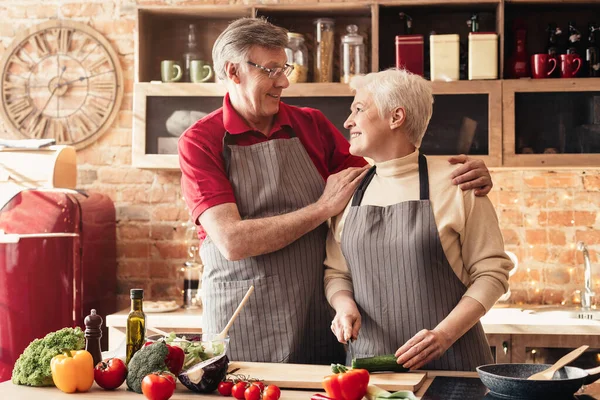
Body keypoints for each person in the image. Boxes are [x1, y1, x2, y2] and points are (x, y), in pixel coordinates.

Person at [178, 18, 494, 365]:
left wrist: (456, 173)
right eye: (271, 70)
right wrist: (321, 209)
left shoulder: (310, 124)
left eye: (284, 67)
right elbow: (232, 241)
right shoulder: (200, 142)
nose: (283, 81)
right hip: (243, 318)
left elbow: (384, 168)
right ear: (233, 71)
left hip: (316, 315)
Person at [326, 68, 513, 371]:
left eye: (359, 109)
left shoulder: (459, 184)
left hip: (453, 366)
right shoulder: (348, 191)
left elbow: (492, 273)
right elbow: (336, 272)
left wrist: (443, 336)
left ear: (396, 117)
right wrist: (343, 304)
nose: (348, 121)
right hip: (371, 371)